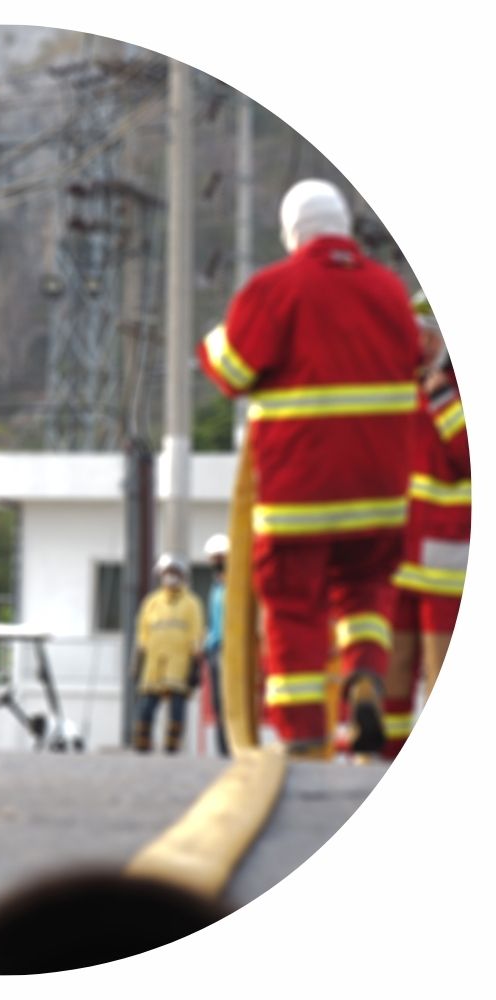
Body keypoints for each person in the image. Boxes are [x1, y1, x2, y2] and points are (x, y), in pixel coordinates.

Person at [197, 178, 421, 758]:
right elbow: (417, 363)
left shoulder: (275, 289)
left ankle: (303, 739)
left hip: (299, 494)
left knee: (294, 608)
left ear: (292, 234)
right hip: (379, 496)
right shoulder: (391, 292)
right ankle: (365, 679)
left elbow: (231, 372)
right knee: (365, 595)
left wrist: (215, 339)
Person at [382, 293, 470, 759]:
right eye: (416, 336)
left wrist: (444, 402)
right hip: (398, 557)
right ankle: (382, 763)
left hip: (445, 558)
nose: (421, 346)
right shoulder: (402, 387)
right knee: (393, 669)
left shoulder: (456, 391)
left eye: (430, 337)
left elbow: (470, 458)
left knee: (440, 675)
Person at [132, 554, 205, 754]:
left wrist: (195, 663)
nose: (170, 577)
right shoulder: (152, 602)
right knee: (147, 705)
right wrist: (138, 660)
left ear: (182, 576)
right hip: (154, 663)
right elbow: (142, 633)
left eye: (174, 573)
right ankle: (142, 742)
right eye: (166, 573)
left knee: (177, 707)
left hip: (179, 663)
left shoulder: (191, 603)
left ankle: (172, 745)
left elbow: (196, 632)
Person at [202, 533, 230, 757]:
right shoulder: (216, 589)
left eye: (219, 559)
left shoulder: (236, 588)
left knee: (230, 702)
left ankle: (232, 748)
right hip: (215, 650)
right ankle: (222, 750)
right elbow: (213, 622)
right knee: (218, 703)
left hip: (230, 651)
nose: (216, 564)